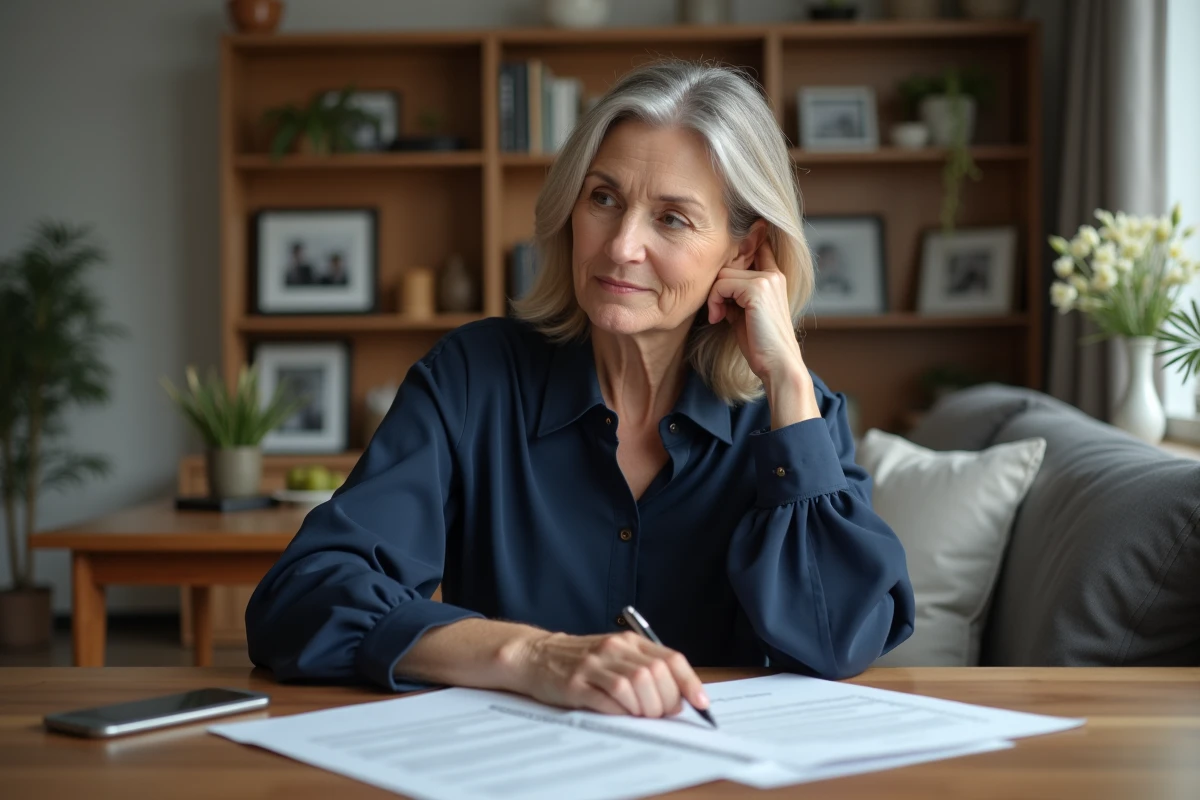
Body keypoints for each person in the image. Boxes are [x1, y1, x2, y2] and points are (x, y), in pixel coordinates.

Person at [246, 61, 914, 721]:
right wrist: (531, 656)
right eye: (603, 198)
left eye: (673, 219)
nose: (621, 245)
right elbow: (304, 599)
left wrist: (790, 381)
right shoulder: (475, 377)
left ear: (745, 252)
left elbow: (839, 642)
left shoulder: (799, 416)